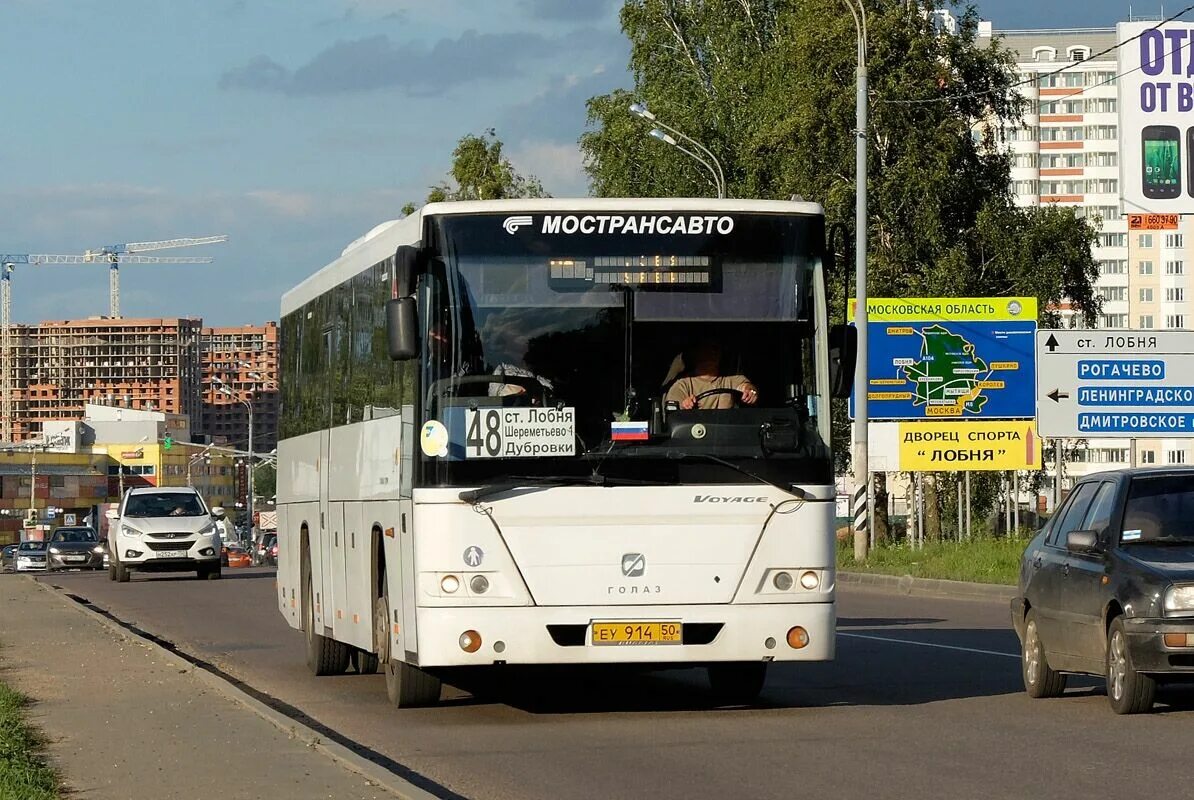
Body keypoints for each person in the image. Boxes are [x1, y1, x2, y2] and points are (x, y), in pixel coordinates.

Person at [665, 341, 758, 410]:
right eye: (706, 348)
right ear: (696, 353)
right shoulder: (682, 385)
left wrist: (750, 392)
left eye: (716, 348)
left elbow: (746, 386)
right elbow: (673, 415)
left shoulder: (730, 380)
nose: (712, 352)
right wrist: (685, 407)